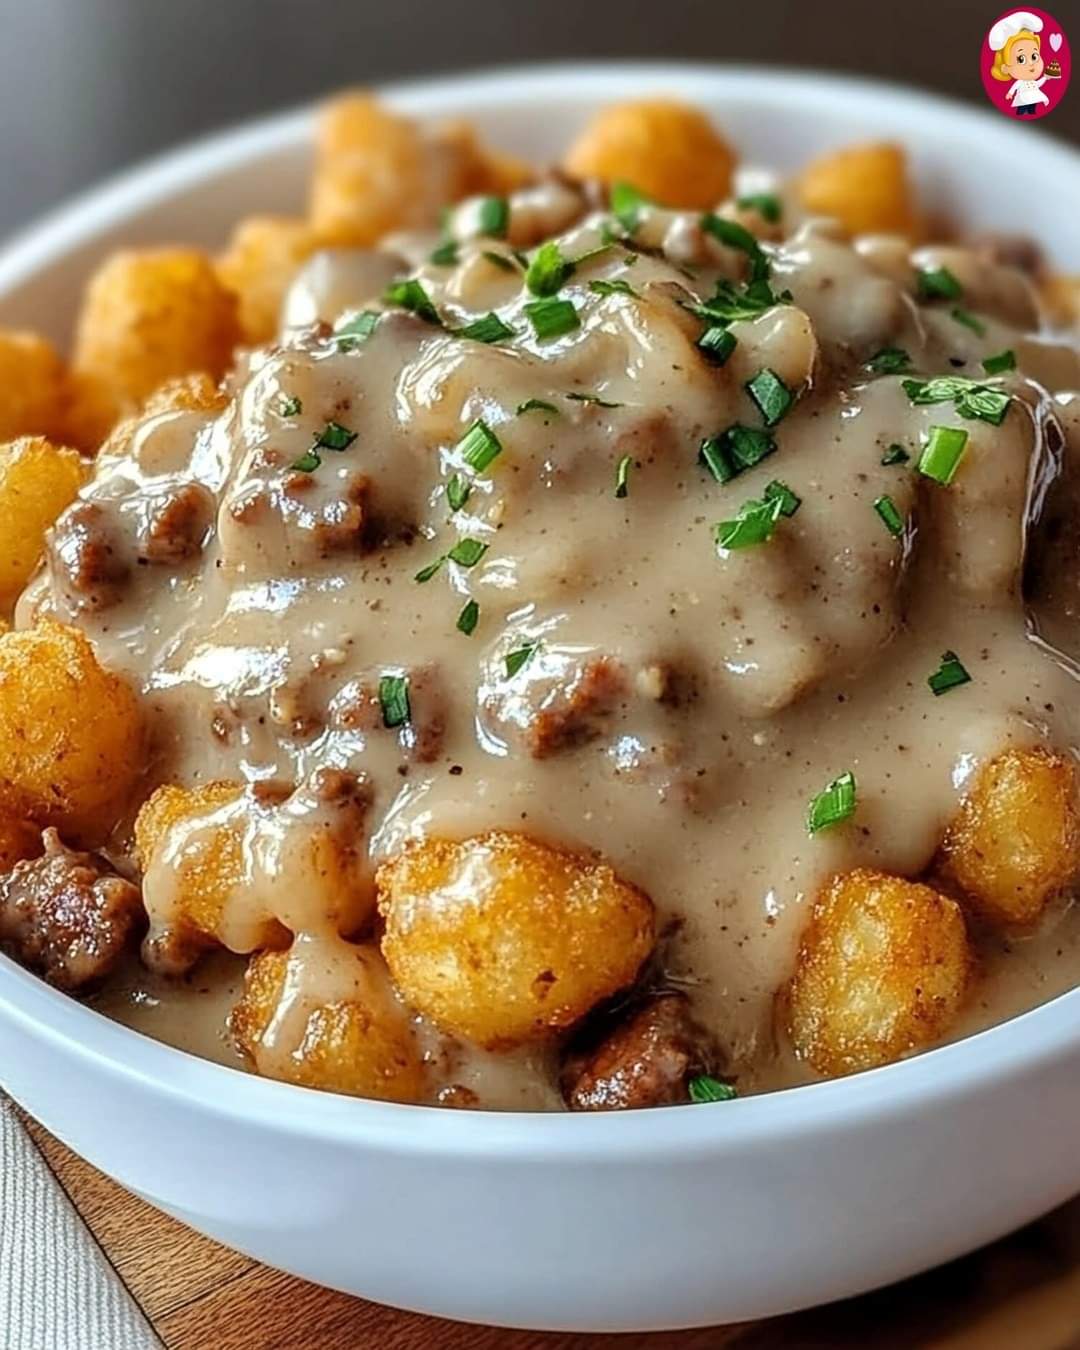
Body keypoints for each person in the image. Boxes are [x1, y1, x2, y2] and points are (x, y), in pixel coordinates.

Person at [989, 10, 1061, 116]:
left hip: (1032, 102)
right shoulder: (1019, 82)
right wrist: (1010, 93)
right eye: (1021, 59)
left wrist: (1046, 78)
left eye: (1034, 56)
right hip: (1022, 100)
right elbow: (1015, 87)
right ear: (1005, 68)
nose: (1031, 64)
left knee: (1031, 110)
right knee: (1022, 110)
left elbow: (1038, 84)